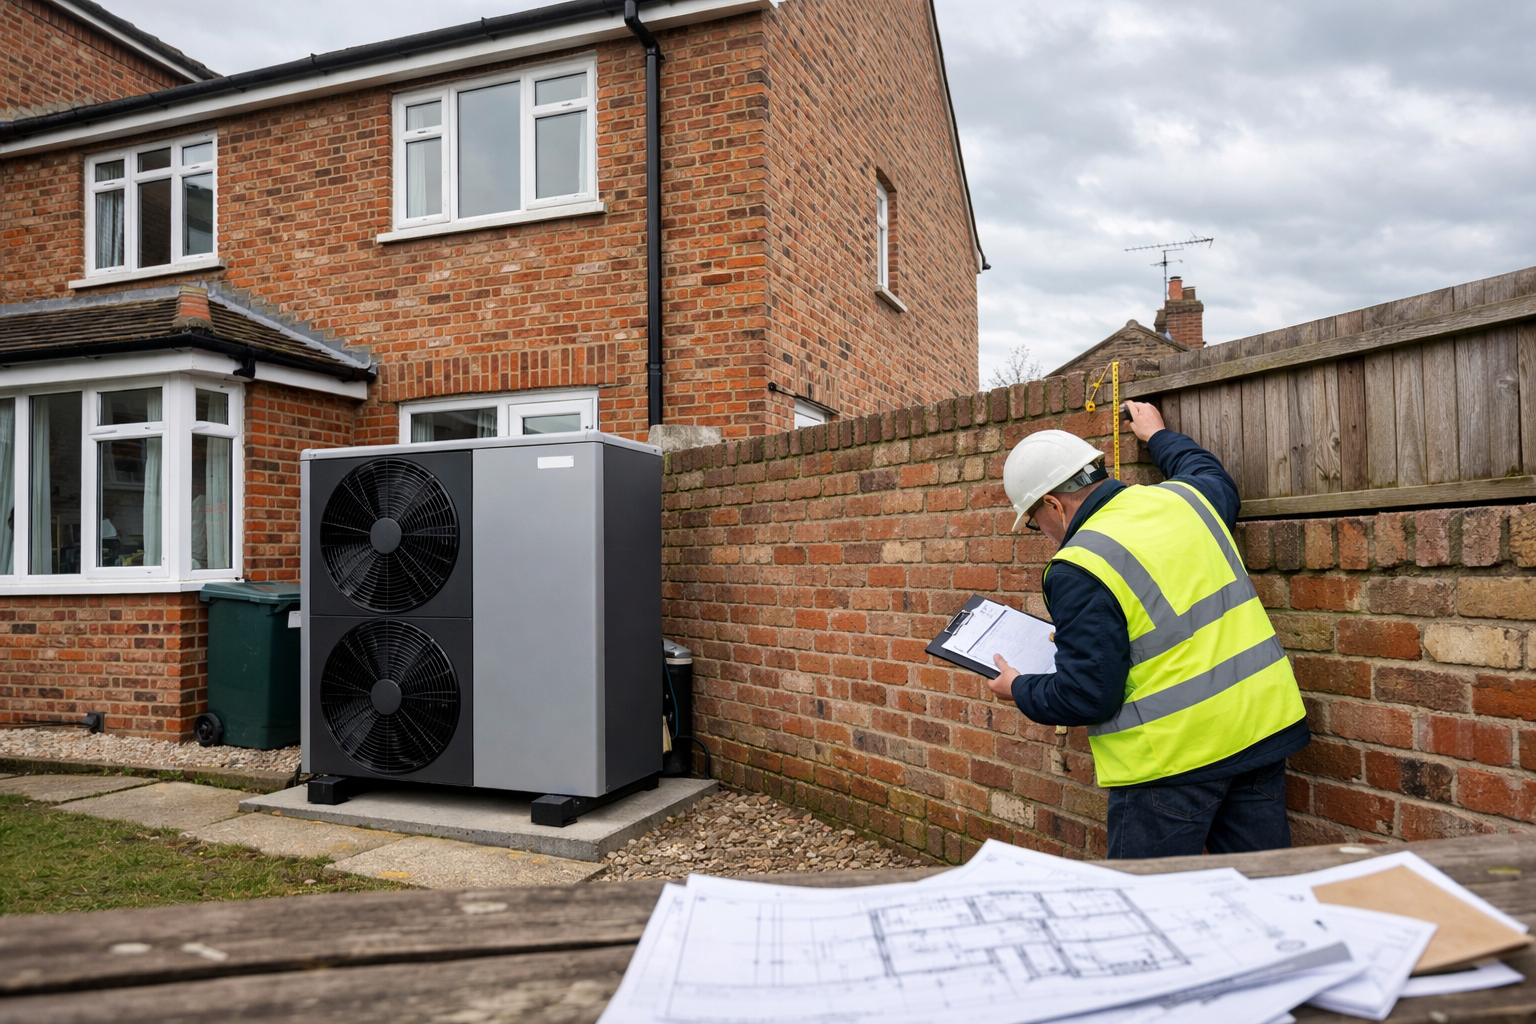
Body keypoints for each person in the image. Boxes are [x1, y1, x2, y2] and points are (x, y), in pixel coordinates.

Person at [986, 400, 1309, 858]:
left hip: (1172, 764)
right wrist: (1158, 436)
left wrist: (1017, 688)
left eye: (1036, 520)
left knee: (1146, 908)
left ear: (1054, 504)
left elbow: (1088, 695)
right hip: (1260, 731)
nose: (1044, 532)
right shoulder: (1187, 499)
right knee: (1263, 893)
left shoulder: (1077, 566)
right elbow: (1210, 474)